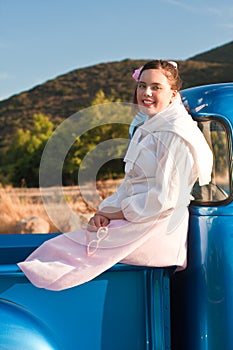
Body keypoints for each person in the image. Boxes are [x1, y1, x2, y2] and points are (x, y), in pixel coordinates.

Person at [18, 60, 213, 291]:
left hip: (157, 229)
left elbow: (163, 200)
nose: (146, 93)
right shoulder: (151, 127)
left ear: (173, 94)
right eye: (142, 86)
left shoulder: (175, 134)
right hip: (140, 219)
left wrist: (116, 213)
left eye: (156, 87)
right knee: (60, 247)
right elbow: (130, 184)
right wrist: (106, 211)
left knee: (63, 250)